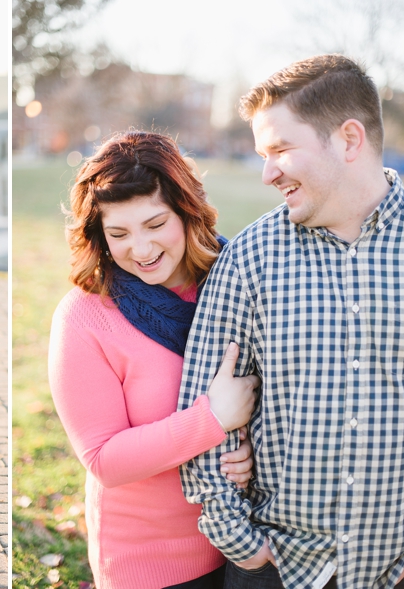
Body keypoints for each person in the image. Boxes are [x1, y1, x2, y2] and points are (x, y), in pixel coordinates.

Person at [178, 54, 404, 589]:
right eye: (264, 154)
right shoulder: (251, 258)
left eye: (281, 149)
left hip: (395, 568)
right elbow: (200, 406)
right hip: (276, 568)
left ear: (349, 140)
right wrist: (243, 544)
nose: (268, 173)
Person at [48, 130, 260, 589]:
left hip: (250, 545)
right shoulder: (85, 316)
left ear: (187, 212)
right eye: (119, 234)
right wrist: (213, 420)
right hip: (151, 564)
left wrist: (251, 452)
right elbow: (105, 458)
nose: (140, 251)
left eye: (156, 224)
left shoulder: (236, 287)